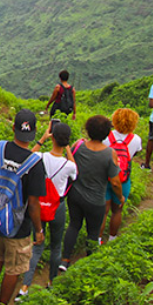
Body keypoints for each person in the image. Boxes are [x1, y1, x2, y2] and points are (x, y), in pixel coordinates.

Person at [0, 109, 46, 305]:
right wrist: (38, 230)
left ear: (13, 128)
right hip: (18, 227)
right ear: (35, 132)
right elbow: (33, 203)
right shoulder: (35, 163)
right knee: (13, 270)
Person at [17, 121, 78, 300]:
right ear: (67, 141)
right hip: (57, 206)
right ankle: (52, 282)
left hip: (38, 206)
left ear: (52, 137)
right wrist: (67, 149)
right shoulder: (68, 165)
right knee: (56, 246)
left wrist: (42, 139)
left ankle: (24, 288)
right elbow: (76, 172)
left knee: (36, 247)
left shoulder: (41, 157)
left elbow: (27, 159)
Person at [60, 115, 124, 271]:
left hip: (75, 195)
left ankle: (64, 260)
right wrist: (120, 197)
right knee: (93, 232)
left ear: (88, 130)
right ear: (107, 133)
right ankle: (90, 264)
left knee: (74, 225)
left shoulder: (78, 145)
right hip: (96, 200)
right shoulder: (110, 153)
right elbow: (115, 182)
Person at [100, 108, 143, 243]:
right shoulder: (135, 139)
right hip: (123, 179)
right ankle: (113, 238)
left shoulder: (107, 136)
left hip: (104, 177)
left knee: (103, 211)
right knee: (117, 210)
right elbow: (133, 155)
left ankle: (98, 239)